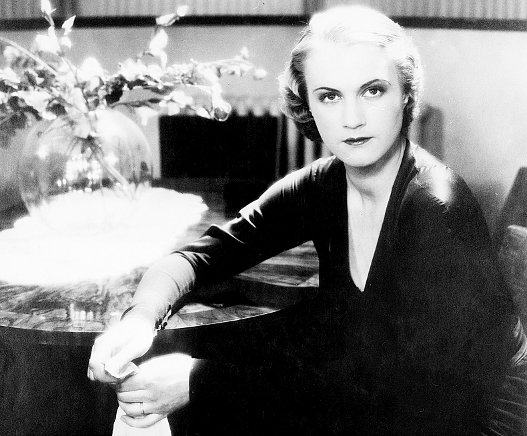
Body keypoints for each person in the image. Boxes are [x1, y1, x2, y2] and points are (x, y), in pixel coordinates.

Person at [88, 5, 527, 435]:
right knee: (185, 364)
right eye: (330, 96)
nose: (352, 119)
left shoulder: (434, 207)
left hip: (474, 418)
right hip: (377, 392)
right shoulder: (323, 184)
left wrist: (197, 381)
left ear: (406, 94)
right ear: (308, 106)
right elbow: (198, 258)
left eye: (373, 91)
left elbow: (413, 400)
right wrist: (138, 322)